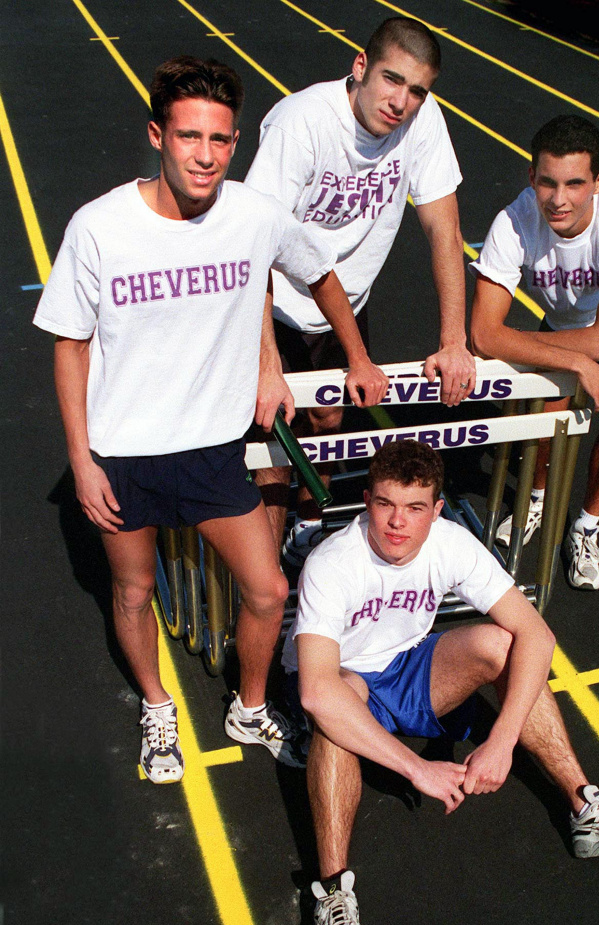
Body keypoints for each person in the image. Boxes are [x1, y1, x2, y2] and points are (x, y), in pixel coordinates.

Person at [33, 56, 386, 783]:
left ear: (233, 145)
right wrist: (84, 459)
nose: (205, 154)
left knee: (268, 591)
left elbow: (315, 272)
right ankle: (157, 705)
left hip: (214, 452)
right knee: (133, 591)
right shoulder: (100, 227)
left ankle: (247, 707)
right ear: (158, 135)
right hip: (122, 453)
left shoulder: (254, 215)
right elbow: (69, 346)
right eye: (189, 136)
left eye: (220, 140)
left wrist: (354, 356)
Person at [286, 440, 599, 925]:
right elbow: (316, 690)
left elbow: (536, 633)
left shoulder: (452, 543)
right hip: (346, 678)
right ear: (366, 501)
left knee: (503, 644)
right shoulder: (333, 564)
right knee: (333, 715)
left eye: (415, 508)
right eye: (385, 504)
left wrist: (502, 741)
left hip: (411, 667)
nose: (398, 522)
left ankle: (587, 808)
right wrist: (417, 767)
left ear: (436, 510)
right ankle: (332, 894)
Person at [244, 16, 476, 565]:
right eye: (391, 80)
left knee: (328, 422)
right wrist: (266, 362)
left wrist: (454, 340)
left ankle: (308, 522)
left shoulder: (423, 122)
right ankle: (262, 560)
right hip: (273, 304)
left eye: (417, 90)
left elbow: (445, 229)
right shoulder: (300, 126)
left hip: (345, 302)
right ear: (360, 67)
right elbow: (254, 251)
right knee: (276, 442)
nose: (401, 101)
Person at [470, 114, 599, 590]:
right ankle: (537, 497)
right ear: (532, 178)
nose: (558, 200)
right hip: (568, 325)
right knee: (548, 415)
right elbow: (481, 335)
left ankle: (586, 526)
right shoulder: (513, 223)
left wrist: (579, 353)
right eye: (547, 183)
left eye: (574, 184)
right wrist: (579, 360)